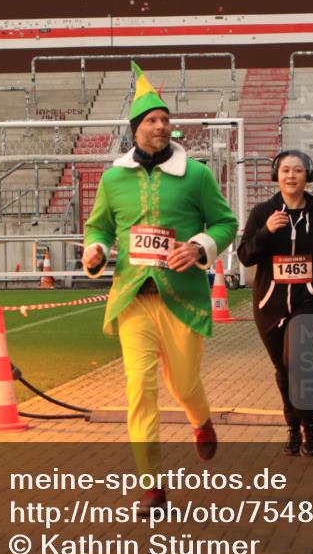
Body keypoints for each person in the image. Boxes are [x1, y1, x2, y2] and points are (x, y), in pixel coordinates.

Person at [82, 62, 237, 512]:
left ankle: (200, 420)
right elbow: (99, 228)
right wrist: (95, 250)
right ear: (135, 129)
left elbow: (225, 222)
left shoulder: (198, 176)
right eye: (152, 120)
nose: (162, 125)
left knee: (184, 383)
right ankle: (152, 486)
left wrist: (199, 246)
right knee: (139, 390)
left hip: (182, 298)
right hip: (133, 298)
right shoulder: (113, 179)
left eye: (166, 119)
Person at [237, 150, 313, 457]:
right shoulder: (262, 212)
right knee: (282, 367)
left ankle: (308, 422)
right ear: (276, 175)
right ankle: (293, 426)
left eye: (298, 170)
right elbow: (246, 255)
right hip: (269, 300)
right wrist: (266, 231)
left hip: (311, 298)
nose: (291, 176)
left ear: (307, 175)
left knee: (299, 359)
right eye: (285, 170)